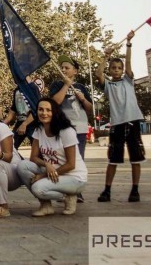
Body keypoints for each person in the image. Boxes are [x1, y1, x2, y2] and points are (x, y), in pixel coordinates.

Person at [94, 30, 144, 203]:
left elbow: (129, 62)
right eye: (113, 68)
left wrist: (128, 43)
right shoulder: (108, 85)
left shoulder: (128, 81)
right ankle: (107, 191)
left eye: (119, 68)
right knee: (113, 159)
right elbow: (98, 73)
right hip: (117, 124)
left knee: (136, 158)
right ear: (110, 70)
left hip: (132, 122)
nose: (116, 70)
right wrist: (105, 56)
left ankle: (135, 190)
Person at [17, 97, 88, 216]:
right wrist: (46, 164)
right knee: (22, 166)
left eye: (48, 110)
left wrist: (43, 175)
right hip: (54, 172)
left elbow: (71, 164)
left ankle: (68, 196)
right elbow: (33, 157)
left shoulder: (66, 131)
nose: (44, 113)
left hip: (75, 178)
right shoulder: (39, 129)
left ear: (54, 112)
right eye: (40, 109)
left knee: (37, 188)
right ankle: (46, 206)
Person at [49, 57, 92, 203]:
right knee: (62, 159)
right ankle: (62, 189)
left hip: (79, 128)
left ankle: (76, 191)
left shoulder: (81, 87)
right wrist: (66, 86)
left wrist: (83, 99)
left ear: (76, 71)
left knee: (78, 159)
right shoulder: (57, 85)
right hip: (63, 128)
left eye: (67, 67)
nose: (64, 70)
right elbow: (55, 102)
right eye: (62, 67)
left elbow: (90, 108)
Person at [3, 78, 41, 150]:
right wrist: (4, 122)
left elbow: (37, 109)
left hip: (33, 123)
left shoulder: (32, 88)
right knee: (11, 147)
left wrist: (25, 124)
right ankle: (20, 161)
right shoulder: (16, 90)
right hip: (20, 121)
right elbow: (14, 108)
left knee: (37, 151)